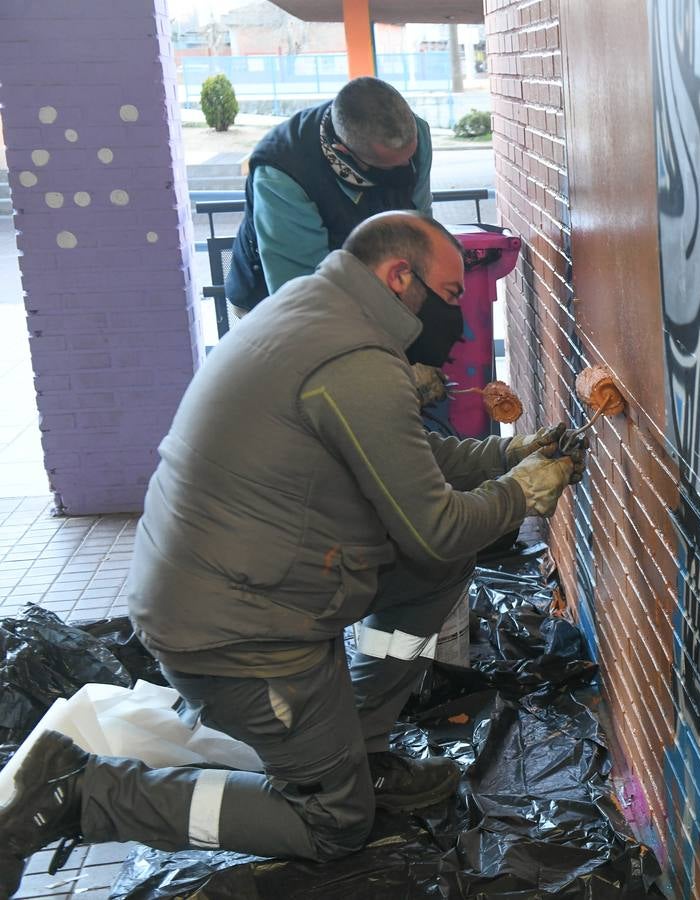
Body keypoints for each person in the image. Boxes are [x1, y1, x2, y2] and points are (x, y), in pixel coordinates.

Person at [0, 212, 585, 894]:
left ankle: (357, 750)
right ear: (401, 277)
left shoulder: (317, 311)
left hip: (246, 585)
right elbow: (438, 527)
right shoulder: (356, 364)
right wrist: (518, 494)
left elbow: (414, 461)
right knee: (334, 822)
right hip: (233, 635)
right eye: (453, 295)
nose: (457, 315)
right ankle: (87, 792)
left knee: (431, 573)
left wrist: (508, 453)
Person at [225, 77, 434, 315]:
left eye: (410, 155)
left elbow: (419, 227)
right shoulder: (283, 176)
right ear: (344, 152)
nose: (407, 167)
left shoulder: (415, 134)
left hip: (366, 281)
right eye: (389, 167)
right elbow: (302, 298)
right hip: (279, 304)